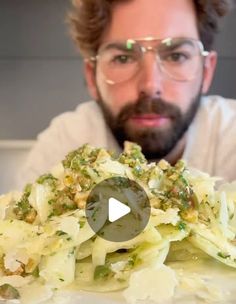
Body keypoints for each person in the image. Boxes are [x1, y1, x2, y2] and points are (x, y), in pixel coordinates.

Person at [16, 0, 235, 189]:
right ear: (92, 77)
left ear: (206, 71)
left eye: (176, 56)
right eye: (123, 58)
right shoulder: (62, 148)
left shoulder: (230, 137)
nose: (150, 85)